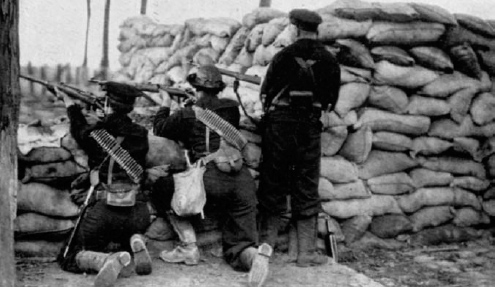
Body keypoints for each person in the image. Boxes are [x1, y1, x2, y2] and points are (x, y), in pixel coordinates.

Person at [152, 64, 272, 287]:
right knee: (241, 244)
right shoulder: (232, 108)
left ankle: (188, 248)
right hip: (241, 178)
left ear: (195, 86)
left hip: (210, 178)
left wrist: (166, 103)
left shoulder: (188, 113)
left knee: (159, 187)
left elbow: (160, 129)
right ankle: (253, 257)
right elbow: (214, 114)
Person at [257, 9, 341, 267]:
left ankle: (266, 248)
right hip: (309, 126)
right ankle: (306, 253)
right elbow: (331, 101)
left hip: (281, 125)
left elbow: (266, 93)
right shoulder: (329, 60)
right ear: (317, 31)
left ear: (294, 29)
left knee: (273, 182)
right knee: (306, 184)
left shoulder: (283, 56)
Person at [56, 82, 153, 287]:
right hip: (138, 212)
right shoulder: (141, 133)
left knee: (69, 255)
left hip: (104, 209)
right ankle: (135, 240)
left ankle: (105, 261)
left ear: (107, 102)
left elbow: (79, 130)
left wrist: (70, 104)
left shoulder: (99, 131)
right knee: (123, 235)